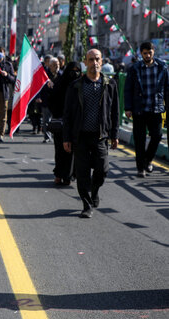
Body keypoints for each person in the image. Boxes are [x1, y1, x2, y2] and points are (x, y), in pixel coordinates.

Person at [63, 49, 119, 218]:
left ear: (101, 62)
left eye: (97, 59)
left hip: (100, 135)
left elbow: (115, 111)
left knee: (102, 170)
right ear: (85, 62)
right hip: (80, 136)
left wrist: (114, 134)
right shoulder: (76, 86)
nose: (94, 63)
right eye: (91, 59)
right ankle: (87, 205)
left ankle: (94, 191)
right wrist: (66, 137)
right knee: (82, 172)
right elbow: (68, 113)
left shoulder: (110, 84)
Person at [124, 41, 169, 178]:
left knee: (157, 136)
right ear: (141, 54)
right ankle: (140, 168)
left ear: (153, 52)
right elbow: (128, 89)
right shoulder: (135, 68)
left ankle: (147, 160)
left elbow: (167, 88)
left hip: (156, 108)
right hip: (139, 109)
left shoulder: (162, 67)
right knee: (139, 139)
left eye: (150, 52)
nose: (148, 55)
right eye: (145, 53)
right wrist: (128, 107)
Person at [47, 61, 80, 185]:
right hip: (61, 123)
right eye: (73, 70)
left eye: (77, 70)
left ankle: (68, 175)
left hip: (74, 124)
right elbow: (51, 101)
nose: (75, 73)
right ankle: (59, 175)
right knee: (60, 150)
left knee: (72, 151)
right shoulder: (60, 83)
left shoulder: (80, 85)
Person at [38, 57, 61, 143]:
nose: (57, 66)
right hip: (46, 100)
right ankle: (47, 136)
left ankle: (56, 136)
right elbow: (40, 87)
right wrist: (38, 97)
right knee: (46, 120)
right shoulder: (45, 75)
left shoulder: (61, 75)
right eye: (55, 65)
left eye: (58, 64)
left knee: (56, 120)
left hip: (57, 102)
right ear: (50, 66)